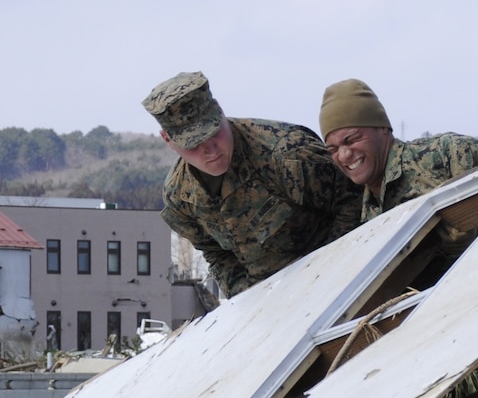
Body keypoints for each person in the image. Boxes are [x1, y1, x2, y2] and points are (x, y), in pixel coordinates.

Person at [144, 71, 360, 299]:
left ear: (219, 110)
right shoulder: (180, 197)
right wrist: (250, 299)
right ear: (168, 140)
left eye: (214, 133)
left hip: (339, 282)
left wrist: (327, 274)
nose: (210, 150)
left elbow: (354, 203)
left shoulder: (287, 154)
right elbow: (217, 255)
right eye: (193, 144)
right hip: (273, 304)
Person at [318, 79, 478, 256]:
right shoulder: (366, 211)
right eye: (333, 149)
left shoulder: (450, 154)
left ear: (382, 128)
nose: (343, 155)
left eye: (352, 140)